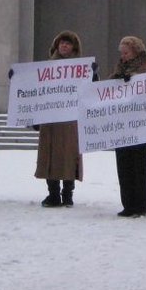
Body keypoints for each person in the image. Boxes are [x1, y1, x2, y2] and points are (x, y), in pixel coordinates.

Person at [34, 31, 89, 208]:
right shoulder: (46, 68)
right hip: (50, 118)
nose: (64, 46)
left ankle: (67, 193)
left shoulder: (82, 68)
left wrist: (93, 75)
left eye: (68, 43)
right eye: (61, 43)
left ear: (74, 47)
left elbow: (91, 90)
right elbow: (34, 89)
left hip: (71, 120)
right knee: (50, 154)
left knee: (69, 155)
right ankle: (52, 193)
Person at [109, 36, 146, 218]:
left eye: (126, 52)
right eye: (121, 53)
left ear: (136, 51)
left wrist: (135, 80)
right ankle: (128, 203)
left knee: (140, 166)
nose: (123, 57)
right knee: (123, 164)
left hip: (142, 125)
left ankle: (140, 204)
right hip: (123, 125)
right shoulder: (119, 69)